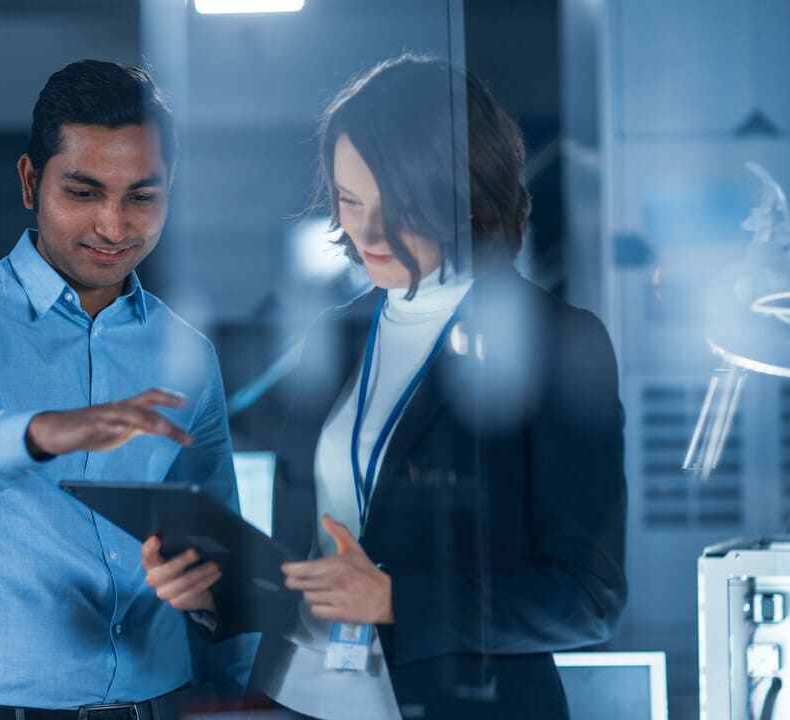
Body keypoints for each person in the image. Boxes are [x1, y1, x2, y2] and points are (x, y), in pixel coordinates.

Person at [148, 54, 628, 719]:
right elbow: (311, 562)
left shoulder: (551, 340)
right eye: (349, 200)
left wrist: (396, 600)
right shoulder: (338, 333)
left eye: (393, 204)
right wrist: (219, 594)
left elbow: (589, 600)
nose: (363, 231)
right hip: (302, 701)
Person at [0, 59, 249, 719]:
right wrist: (45, 430)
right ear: (30, 181)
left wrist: (249, 686)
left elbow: (216, 551)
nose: (114, 226)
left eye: (143, 195)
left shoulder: (187, 351)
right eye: (83, 192)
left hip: (160, 703)